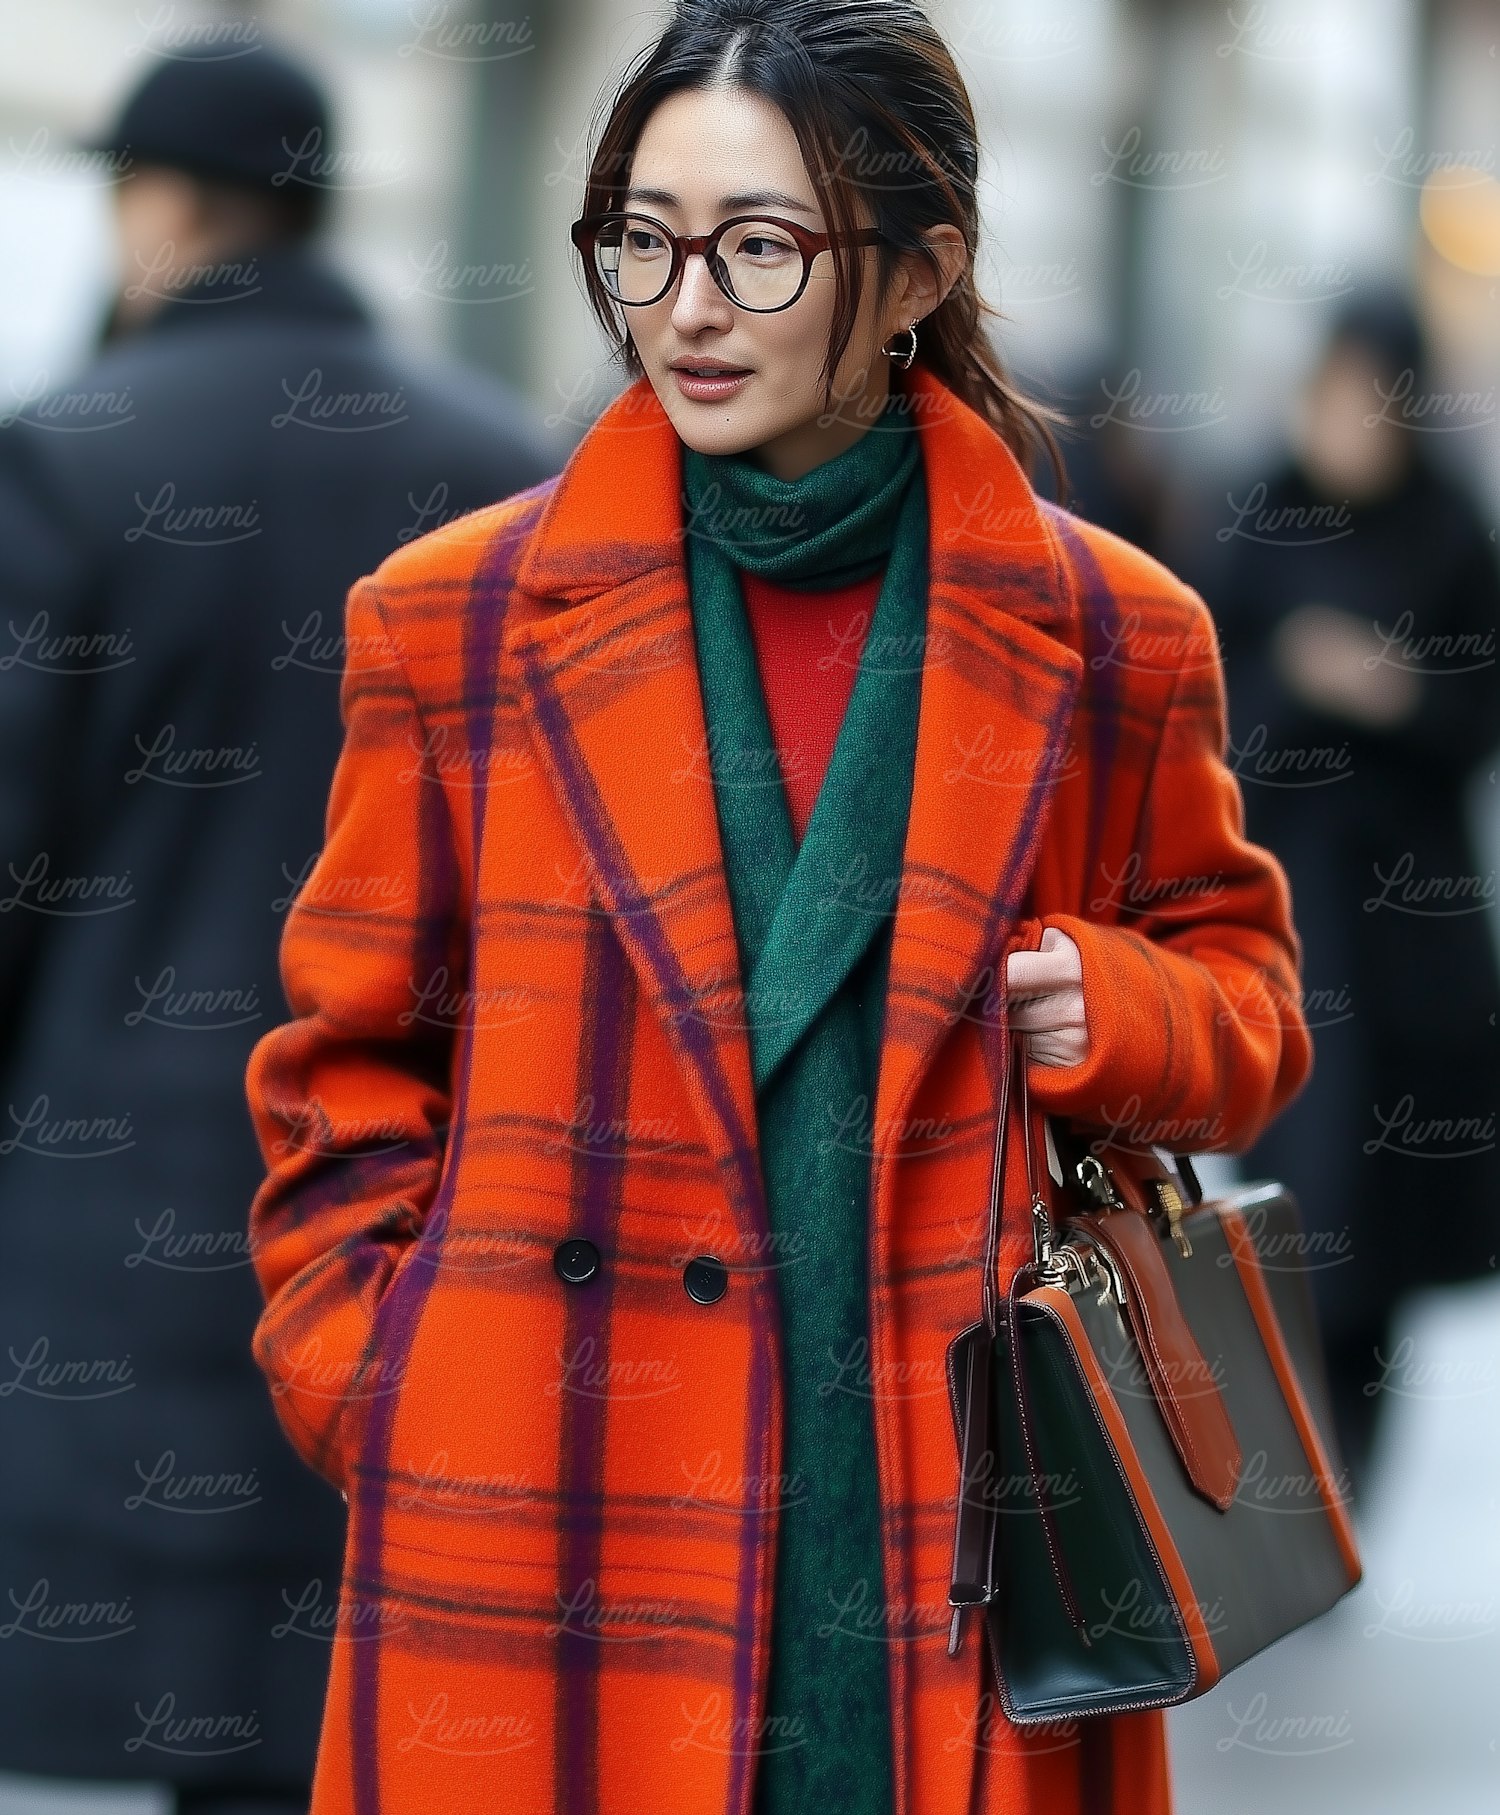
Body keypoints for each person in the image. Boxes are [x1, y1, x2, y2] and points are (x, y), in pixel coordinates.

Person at [243, 4, 1311, 1812]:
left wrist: (1116, 1007)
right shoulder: (456, 622)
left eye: (758, 246)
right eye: (641, 240)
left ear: (917, 272)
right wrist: (398, 1390)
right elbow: (341, 1068)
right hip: (552, 1517)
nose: (686, 305)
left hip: (949, 1534)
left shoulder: (1115, 634)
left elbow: (1252, 1012)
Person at [0, 37, 564, 1815]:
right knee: (332, 1716)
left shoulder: (70, 460)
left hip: (102, 1212)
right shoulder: (506, 477)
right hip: (415, 1214)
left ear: (160, 208)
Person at [1206, 288, 1500, 1498]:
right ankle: (1285, 1458)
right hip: (1286, 908)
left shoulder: (1451, 534)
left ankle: (1347, 1459)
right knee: (1294, 1181)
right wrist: (1297, 682)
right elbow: (1199, 706)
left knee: (1383, 1206)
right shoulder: (1255, 518)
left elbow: (1478, 721)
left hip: (1411, 927)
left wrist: (1399, 694)